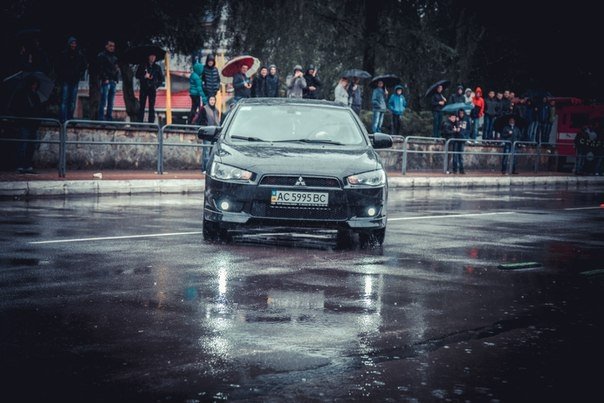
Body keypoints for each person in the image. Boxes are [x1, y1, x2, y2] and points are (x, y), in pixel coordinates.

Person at [10, 75, 43, 174]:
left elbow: (39, 109)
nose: (35, 86)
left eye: (36, 84)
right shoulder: (21, 94)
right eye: (33, 84)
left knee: (31, 145)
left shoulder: (36, 95)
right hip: (24, 123)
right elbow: (15, 107)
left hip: (33, 124)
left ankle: (27, 164)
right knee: (23, 144)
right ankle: (20, 165)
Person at [55, 36, 87, 122]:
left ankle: (70, 118)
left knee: (72, 101)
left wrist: (79, 75)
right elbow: (58, 66)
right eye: (72, 43)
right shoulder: (63, 54)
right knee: (64, 100)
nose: (73, 45)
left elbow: (84, 66)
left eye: (74, 43)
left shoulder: (79, 55)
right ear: (69, 44)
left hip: (74, 80)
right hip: (65, 80)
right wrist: (62, 75)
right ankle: (63, 118)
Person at [135, 52, 164, 123]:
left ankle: (151, 123)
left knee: (152, 106)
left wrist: (155, 86)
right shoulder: (143, 66)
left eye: (154, 56)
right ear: (148, 57)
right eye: (151, 56)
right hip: (144, 88)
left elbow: (161, 79)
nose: (153, 58)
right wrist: (144, 76)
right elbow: (137, 75)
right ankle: (140, 122)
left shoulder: (157, 67)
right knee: (142, 105)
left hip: (152, 88)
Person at [97, 40, 120, 121]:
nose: (112, 48)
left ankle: (109, 117)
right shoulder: (101, 56)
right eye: (110, 46)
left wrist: (116, 79)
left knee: (111, 101)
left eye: (113, 46)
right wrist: (105, 78)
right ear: (106, 46)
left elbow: (116, 69)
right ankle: (101, 117)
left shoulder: (115, 58)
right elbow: (100, 68)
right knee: (103, 100)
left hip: (113, 81)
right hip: (105, 81)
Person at [198, 95, 221, 172]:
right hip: (207, 133)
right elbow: (200, 120)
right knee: (206, 151)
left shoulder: (217, 110)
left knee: (212, 152)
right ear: (208, 100)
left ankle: (209, 169)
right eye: (211, 100)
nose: (212, 101)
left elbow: (218, 121)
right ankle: (205, 169)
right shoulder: (204, 109)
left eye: (213, 100)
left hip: (215, 134)